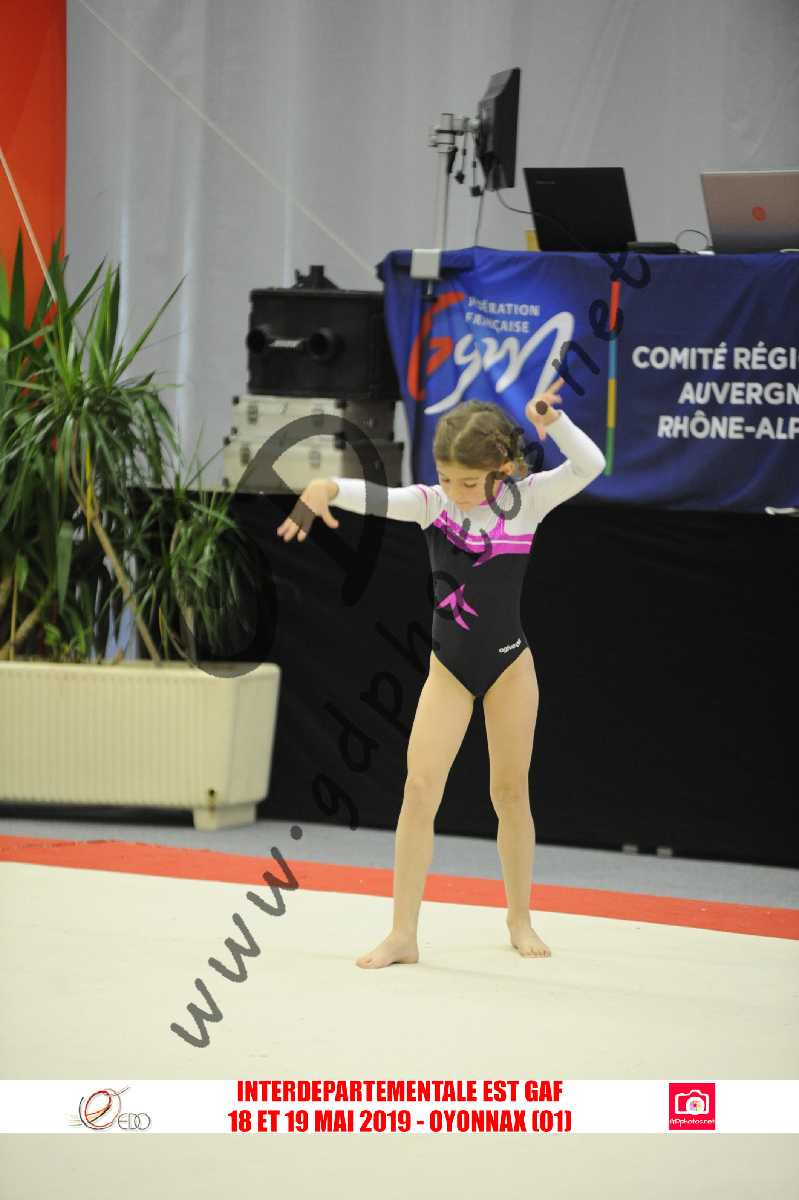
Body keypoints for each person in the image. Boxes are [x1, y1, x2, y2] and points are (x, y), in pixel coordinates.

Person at [276, 376, 606, 968]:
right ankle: (403, 932)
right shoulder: (434, 505)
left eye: (469, 483)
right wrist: (327, 486)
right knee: (419, 789)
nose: (456, 492)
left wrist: (553, 423)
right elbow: (380, 498)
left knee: (510, 793)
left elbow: (590, 466)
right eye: (447, 479)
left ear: (504, 470)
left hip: (510, 665)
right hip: (449, 669)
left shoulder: (528, 500)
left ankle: (519, 916)